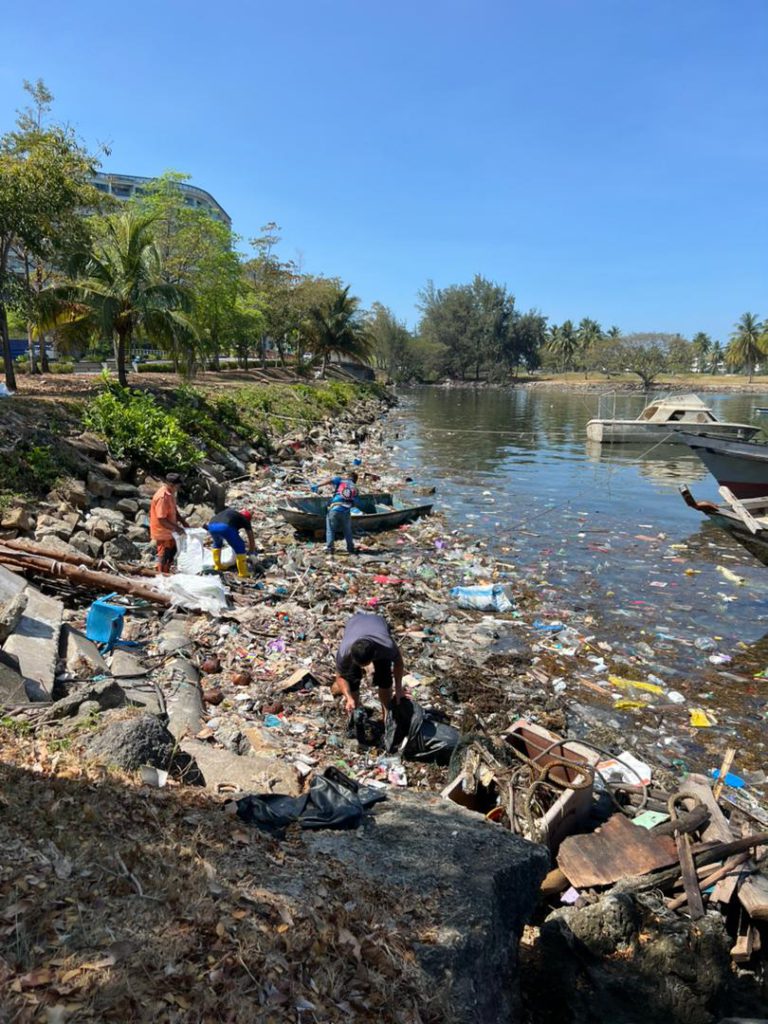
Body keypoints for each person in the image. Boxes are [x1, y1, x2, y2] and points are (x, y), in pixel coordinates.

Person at [333, 612, 404, 722]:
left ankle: (386, 717)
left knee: (384, 678)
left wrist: (399, 689)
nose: (363, 669)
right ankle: (354, 710)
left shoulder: (386, 646)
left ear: (374, 655)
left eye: (365, 664)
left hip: (377, 622)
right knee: (352, 678)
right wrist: (348, 697)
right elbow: (340, 676)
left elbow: (399, 664)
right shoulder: (344, 652)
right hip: (354, 623)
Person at [312, 470, 360, 555]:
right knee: (347, 530)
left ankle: (330, 548)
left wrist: (317, 485)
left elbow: (330, 480)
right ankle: (350, 548)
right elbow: (355, 503)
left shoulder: (341, 480)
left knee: (330, 529)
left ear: (348, 476)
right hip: (346, 511)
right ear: (355, 480)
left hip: (335, 508)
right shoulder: (355, 488)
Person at [149, 473, 188, 574]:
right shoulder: (162, 497)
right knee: (163, 554)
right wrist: (177, 528)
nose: (179, 488)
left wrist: (182, 521)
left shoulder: (170, 493)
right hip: (162, 531)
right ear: (171, 485)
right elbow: (161, 519)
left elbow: (174, 509)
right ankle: (161, 575)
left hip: (170, 530)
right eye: (178, 486)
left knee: (171, 552)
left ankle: (167, 572)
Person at [205, 507, 256, 579]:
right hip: (225, 527)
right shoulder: (245, 519)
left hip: (211, 526)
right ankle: (243, 572)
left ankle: (218, 566)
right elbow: (251, 536)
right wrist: (251, 550)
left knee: (217, 544)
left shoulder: (233, 514)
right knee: (240, 546)